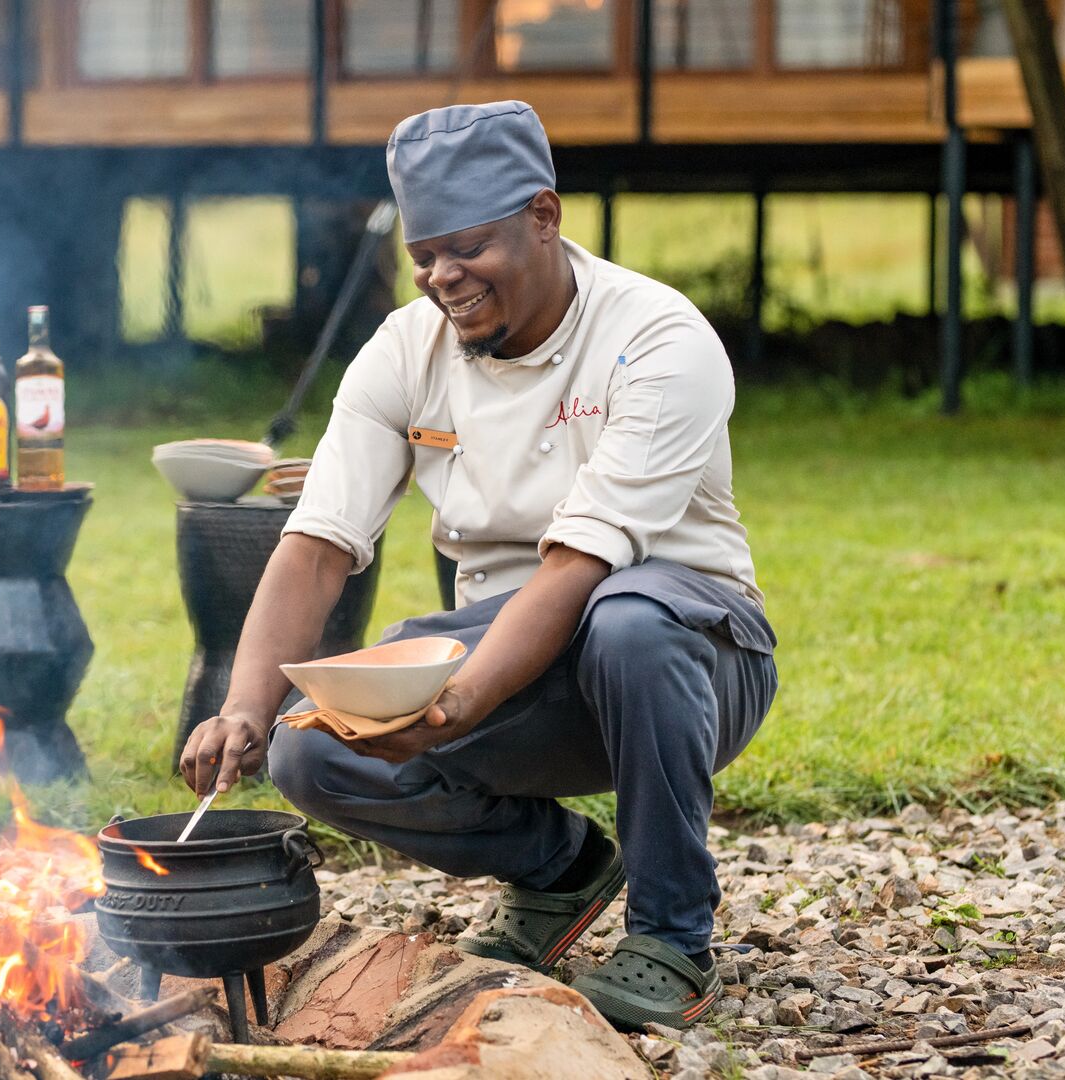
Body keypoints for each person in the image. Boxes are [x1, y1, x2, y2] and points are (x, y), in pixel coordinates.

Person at [178, 101, 778, 1032]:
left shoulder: (659, 340)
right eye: (423, 256)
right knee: (310, 748)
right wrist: (244, 710)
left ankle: (671, 937)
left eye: (467, 249)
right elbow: (319, 539)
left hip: (688, 651)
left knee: (627, 620)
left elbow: (580, 568)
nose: (441, 279)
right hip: (506, 647)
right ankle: (559, 868)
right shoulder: (404, 350)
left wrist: (453, 709)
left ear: (545, 215)